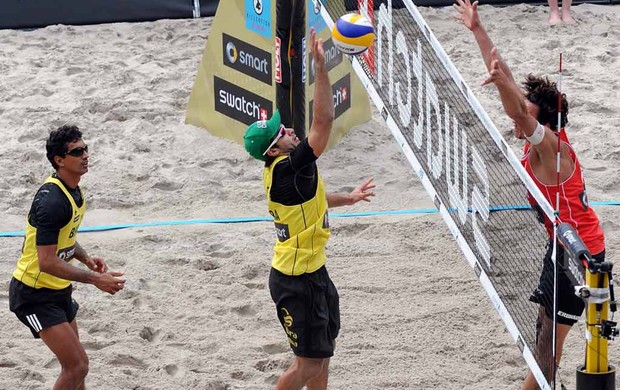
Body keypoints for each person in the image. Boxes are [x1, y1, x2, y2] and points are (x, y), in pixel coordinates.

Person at [454, 1, 605, 389]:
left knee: (545, 351)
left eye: (529, 112)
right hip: (561, 245)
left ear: (546, 122)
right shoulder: (538, 137)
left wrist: (506, 89)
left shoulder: (554, 150)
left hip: (581, 257)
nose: (520, 115)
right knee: (542, 344)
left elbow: (519, 113)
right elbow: (506, 79)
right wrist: (477, 29)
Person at [243, 29, 375, 390]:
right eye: (281, 132)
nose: (288, 130)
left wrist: (346, 198)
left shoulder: (287, 172)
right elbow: (324, 123)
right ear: (273, 150)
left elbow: (311, 200)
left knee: (323, 354)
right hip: (295, 281)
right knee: (307, 364)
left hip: (313, 272)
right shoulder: (290, 168)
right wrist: (321, 66)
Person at [9, 125, 126, 390]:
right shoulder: (52, 201)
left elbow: (67, 238)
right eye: (77, 152)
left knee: (77, 370)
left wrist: (84, 258)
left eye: (85, 148)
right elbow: (47, 261)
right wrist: (95, 278)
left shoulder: (73, 190)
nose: (85, 155)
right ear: (59, 160)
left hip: (58, 291)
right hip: (33, 294)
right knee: (77, 366)